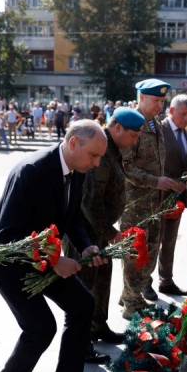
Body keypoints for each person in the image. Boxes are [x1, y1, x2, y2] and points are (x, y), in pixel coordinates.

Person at [0, 120, 109, 372]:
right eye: (94, 156)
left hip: (42, 255)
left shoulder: (77, 169)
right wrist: (56, 260)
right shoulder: (32, 172)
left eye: (100, 157)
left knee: (83, 304)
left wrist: (85, 244)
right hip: (6, 259)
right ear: (74, 144)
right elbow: (7, 235)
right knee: (40, 326)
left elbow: (71, 216)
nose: (97, 163)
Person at [69, 107, 145, 347]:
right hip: (85, 233)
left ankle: (98, 326)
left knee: (101, 282)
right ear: (117, 127)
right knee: (82, 289)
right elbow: (91, 201)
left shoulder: (112, 149)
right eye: (133, 136)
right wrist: (111, 233)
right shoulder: (99, 150)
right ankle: (81, 343)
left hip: (99, 231)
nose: (134, 142)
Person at [119, 79, 185, 316]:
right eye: (155, 100)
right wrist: (154, 181)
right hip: (136, 203)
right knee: (135, 253)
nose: (159, 105)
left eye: (162, 101)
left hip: (154, 202)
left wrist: (166, 182)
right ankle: (131, 303)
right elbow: (124, 166)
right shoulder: (131, 124)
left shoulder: (155, 123)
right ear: (141, 98)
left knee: (150, 252)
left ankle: (130, 293)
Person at [157, 94, 187, 297]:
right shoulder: (158, 131)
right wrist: (173, 181)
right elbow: (152, 163)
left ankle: (166, 280)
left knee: (170, 241)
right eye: (183, 114)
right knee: (153, 240)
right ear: (171, 111)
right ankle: (143, 283)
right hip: (157, 196)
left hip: (178, 199)